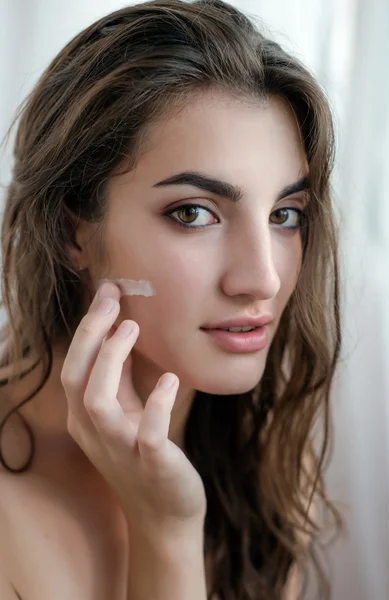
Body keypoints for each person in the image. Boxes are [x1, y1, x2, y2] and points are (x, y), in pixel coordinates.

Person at [0, 0, 343, 598]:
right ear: (69, 232)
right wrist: (166, 534)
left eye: (286, 215)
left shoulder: (267, 468)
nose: (261, 279)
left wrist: (169, 524)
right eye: (194, 213)